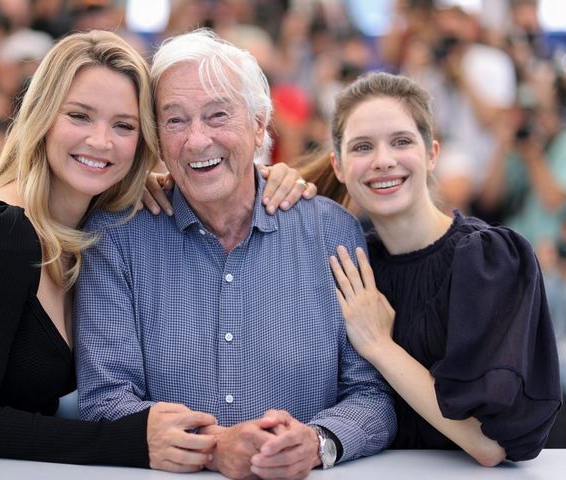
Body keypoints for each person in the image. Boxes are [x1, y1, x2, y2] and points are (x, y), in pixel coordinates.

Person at [0, 28, 310, 464]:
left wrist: (269, 180)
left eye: (123, 125)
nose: (101, 141)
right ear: (44, 117)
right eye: (80, 116)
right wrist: (134, 443)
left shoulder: (96, 226)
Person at [75, 29, 396, 479]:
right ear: (157, 137)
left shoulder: (331, 230)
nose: (197, 140)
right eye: (175, 120)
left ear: (260, 124)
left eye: (217, 115)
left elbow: (371, 395)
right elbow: (105, 400)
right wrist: (214, 447)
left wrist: (317, 442)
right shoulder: (117, 237)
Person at [324, 71, 561, 465]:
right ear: (338, 166)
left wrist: (379, 345)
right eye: (362, 147)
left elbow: (489, 444)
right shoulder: (349, 263)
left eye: (401, 141)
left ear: (432, 153)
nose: (383, 161)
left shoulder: (490, 257)